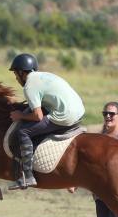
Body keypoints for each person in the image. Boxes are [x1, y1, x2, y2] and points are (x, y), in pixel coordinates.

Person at [8, 53, 85, 190]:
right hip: (79, 111)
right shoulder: (45, 75)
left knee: (23, 131)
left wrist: (20, 115)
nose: (16, 78)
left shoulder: (29, 86)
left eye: (15, 74)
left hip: (65, 116)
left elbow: (37, 116)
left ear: (21, 72)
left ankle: (27, 176)